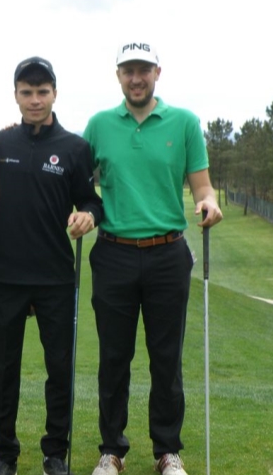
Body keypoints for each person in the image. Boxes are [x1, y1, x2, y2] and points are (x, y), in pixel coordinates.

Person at [82, 42, 223, 475]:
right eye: (128, 70)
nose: (136, 77)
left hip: (168, 254)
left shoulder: (183, 123)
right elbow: (81, 184)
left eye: (143, 69)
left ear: (157, 72)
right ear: (118, 75)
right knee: (113, 358)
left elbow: (202, 186)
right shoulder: (99, 125)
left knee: (166, 358)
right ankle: (112, 450)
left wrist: (210, 203)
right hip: (114, 252)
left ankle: (167, 450)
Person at [0, 57, 104, 475]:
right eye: (26, 92)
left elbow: (90, 199)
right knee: (6, 371)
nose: (34, 100)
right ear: (15, 95)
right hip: (6, 277)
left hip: (56, 278)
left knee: (59, 370)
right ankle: (6, 453)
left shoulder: (74, 147)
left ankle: (55, 452)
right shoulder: (1, 145)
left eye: (42, 92)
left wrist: (89, 214)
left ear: (54, 93)